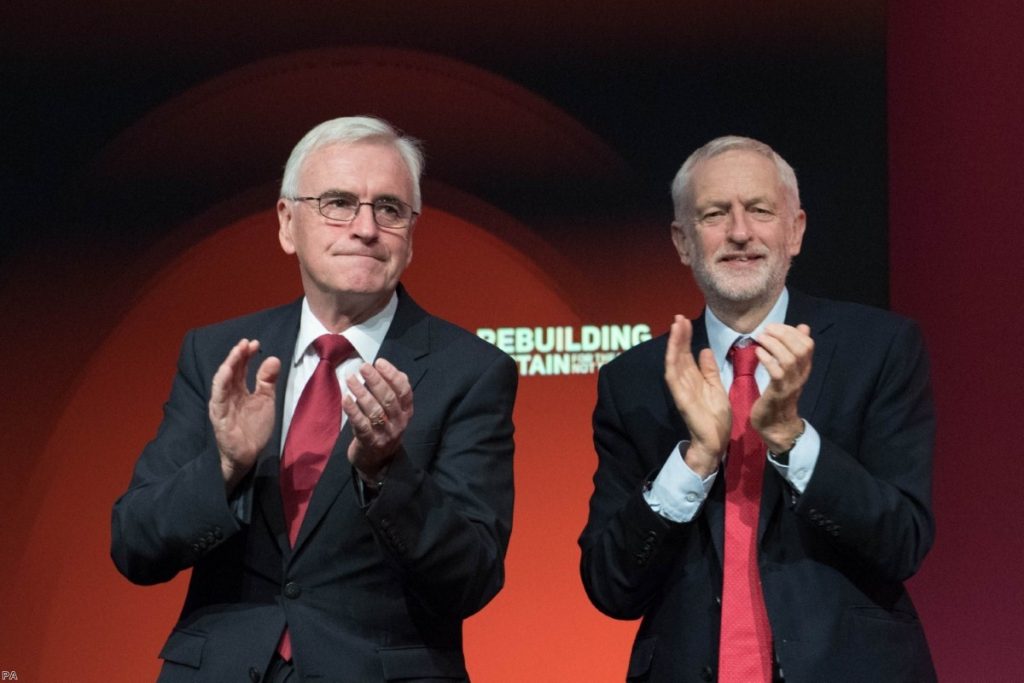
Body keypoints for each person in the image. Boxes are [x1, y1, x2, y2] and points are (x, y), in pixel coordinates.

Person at [111, 115, 518, 682]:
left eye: (390, 210)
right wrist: (225, 466)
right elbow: (135, 546)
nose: (366, 228)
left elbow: (472, 577)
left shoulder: (470, 371)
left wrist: (385, 473)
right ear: (286, 223)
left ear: (411, 234)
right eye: (339, 203)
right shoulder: (218, 355)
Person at [579, 136, 936, 682]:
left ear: (795, 231)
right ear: (682, 240)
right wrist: (694, 459)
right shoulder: (635, 380)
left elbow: (903, 541)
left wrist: (794, 439)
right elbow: (611, 585)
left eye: (760, 211)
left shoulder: (879, 348)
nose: (740, 232)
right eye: (715, 214)